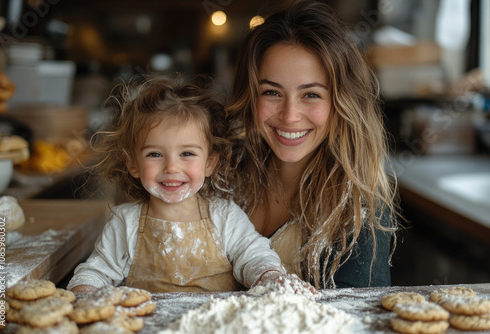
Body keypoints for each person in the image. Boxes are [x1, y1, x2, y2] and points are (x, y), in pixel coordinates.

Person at [67, 75, 309, 293]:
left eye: (187, 154)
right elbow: (96, 272)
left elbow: (254, 255)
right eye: (155, 154)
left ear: (210, 163)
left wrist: (270, 277)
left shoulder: (223, 216)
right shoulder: (125, 222)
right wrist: (85, 292)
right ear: (133, 164)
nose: (172, 167)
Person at [226, 0, 399, 289]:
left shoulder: (359, 210)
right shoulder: (220, 175)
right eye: (271, 92)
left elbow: (356, 320)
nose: (290, 116)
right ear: (250, 96)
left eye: (311, 95)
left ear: (341, 102)